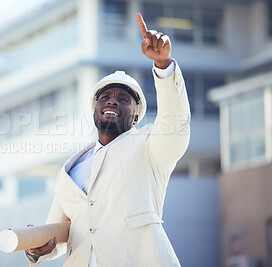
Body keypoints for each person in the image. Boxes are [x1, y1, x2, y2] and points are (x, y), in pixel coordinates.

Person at [25, 13, 190, 267]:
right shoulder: (70, 170)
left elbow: (174, 122)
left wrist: (164, 66)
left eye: (124, 99)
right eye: (106, 97)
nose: (113, 100)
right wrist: (37, 249)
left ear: (135, 118)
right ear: (95, 110)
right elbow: (60, 233)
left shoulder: (149, 148)